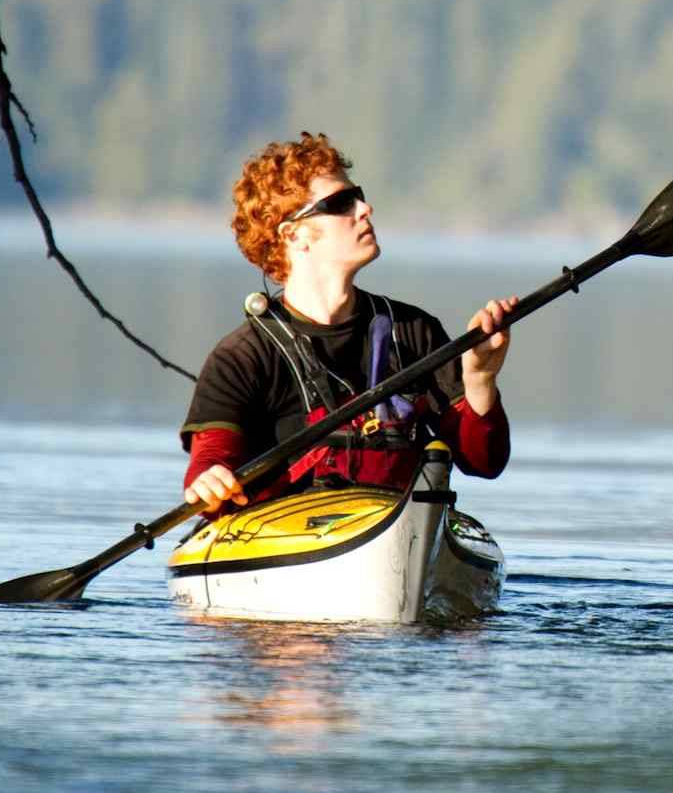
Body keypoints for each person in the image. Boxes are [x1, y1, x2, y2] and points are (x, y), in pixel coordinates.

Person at [179, 132, 518, 515]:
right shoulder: (240, 359)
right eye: (341, 203)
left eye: (358, 195)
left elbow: (484, 461)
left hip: (399, 529)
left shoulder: (414, 331)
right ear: (294, 235)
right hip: (283, 535)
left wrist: (480, 379)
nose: (365, 208)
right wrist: (210, 478)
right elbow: (211, 458)